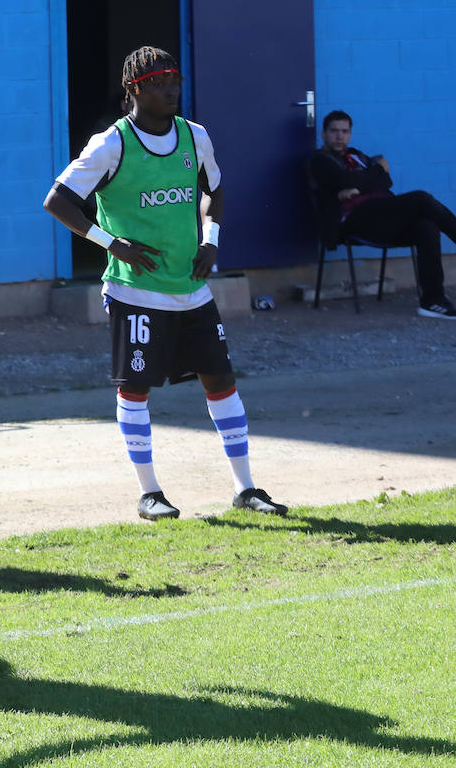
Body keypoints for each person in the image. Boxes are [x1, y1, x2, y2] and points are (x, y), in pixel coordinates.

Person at [43, 46, 287, 522]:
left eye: (173, 79)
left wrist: (211, 240)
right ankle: (150, 493)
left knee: (221, 381)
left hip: (191, 290)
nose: (170, 89)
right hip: (135, 292)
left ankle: (245, 487)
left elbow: (214, 191)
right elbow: (58, 201)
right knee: (135, 390)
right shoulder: (111, 144)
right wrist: (112, 243)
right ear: (134, 89)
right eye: (156, 82)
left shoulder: (195, 136)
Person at [309, 109, 456, 319]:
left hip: (383, 217)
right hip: (354, 220)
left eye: (344, 131)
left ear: (350, 134)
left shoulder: (358, 156)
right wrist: (373, 173)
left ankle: (433, 301)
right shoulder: (319, 160)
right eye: (334, 131)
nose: (339, 136)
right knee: (421, 198)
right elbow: (352, 179)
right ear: (324, 134)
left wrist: (357, 187)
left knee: (426, 227)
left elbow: (386, 182)